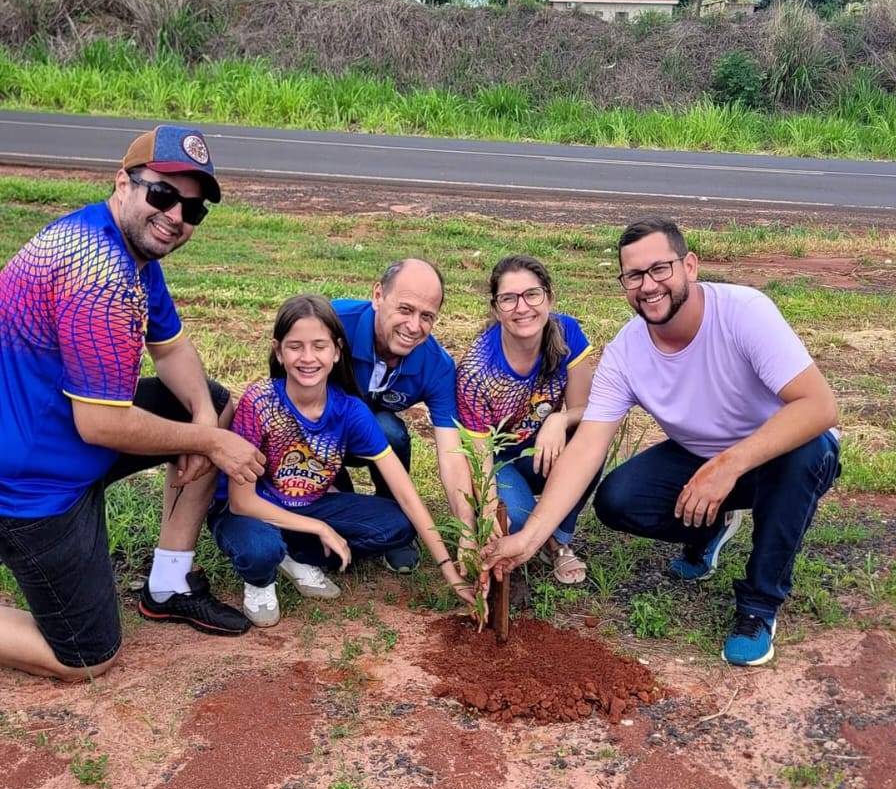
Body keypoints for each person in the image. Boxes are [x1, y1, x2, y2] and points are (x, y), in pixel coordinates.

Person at [488, 218, 840, 666]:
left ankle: (758, 605)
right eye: (634, 275)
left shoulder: (743, 312)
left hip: (785, 449)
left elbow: (819, 407)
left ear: (689, 265)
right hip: (700, 455)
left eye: (660, 269)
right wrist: (532, 537)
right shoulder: (626, 352)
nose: (648, 285)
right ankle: (714, 527)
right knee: (618, 500)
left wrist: (727, 466)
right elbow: (587, 447)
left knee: (804, 457)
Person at [0, 124, 264, 681]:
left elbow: (171, 352)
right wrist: (209, 440)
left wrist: (200, 416)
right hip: (29, 481)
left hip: (56, 430)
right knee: (85, 656)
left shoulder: (133, 255)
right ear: (124, 182)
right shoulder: (98, 274)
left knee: (211, 400)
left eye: (193, 211)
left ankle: (168, 584)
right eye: (163, 194)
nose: (176, 217)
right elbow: (99, 423)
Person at [208, 294, 475, 626]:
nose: (308, 358)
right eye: (295, 347)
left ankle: (290, 553)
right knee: (260, 551)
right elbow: (240, 501)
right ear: (278, 351)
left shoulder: (350, 410)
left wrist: (449, 571)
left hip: (305, 502)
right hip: (251, 508)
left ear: (336, 351)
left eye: (319, 346)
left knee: (398, 525)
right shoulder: (259, 401)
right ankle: (262, 577)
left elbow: (405, 493)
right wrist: (319, 527)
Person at [455, 254, 595, 584]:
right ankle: (527, 525)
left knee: (590, 438)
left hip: (547, 448)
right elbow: (480, 456)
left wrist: (559, 421)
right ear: (495, 308)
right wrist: (489, 515)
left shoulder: (567, 333)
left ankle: (557, 540)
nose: (522, 308)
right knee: (514, 521)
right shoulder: (477, 371)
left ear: (548, 297)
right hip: (500, 460)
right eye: (508, 299)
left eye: (532, 294)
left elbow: (589, 410)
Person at [331, 261, 473, 571]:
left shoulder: (437, 365)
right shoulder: (332, 323)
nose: (413, 326)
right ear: (378, 295)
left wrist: (467, 531)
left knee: (388, 429)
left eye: (427, 317)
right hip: (319, 434)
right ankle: (338, 498)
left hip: (374, 439)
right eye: (405, 309)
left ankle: (390, 509)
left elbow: (451, 452)